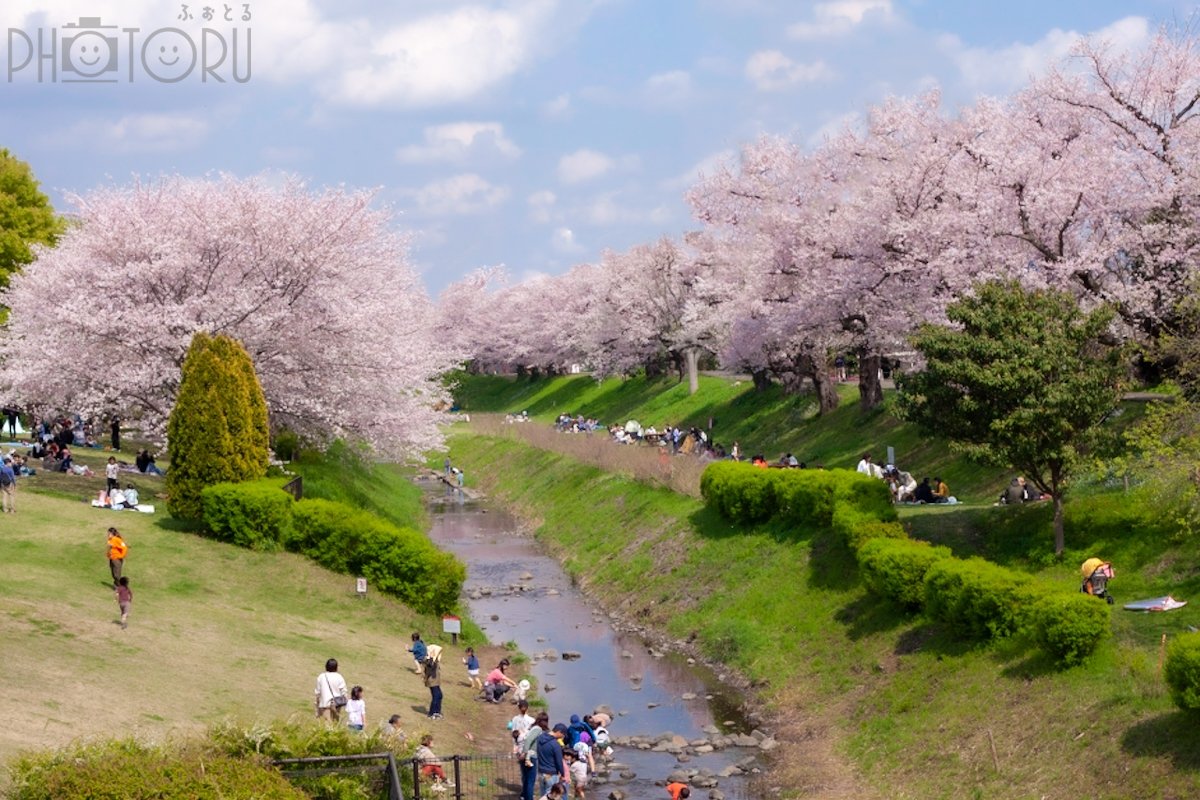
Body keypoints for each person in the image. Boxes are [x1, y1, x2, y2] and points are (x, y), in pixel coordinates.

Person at [519, 711, 549, 800]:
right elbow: (528, 740)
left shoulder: (532, 727)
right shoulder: (538, 729)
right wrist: (524, 753)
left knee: (526, 778)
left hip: (526, 755)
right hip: (531, 757)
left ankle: (523, 796)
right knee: (530, 781)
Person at [534, 722, 568, 799]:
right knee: (551, 796)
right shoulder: (555, 745)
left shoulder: (540, 738)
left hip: (541, 772)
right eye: (563, 734)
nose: (563, 737)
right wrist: (562, 775)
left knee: (543, 795)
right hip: (551, 774)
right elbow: (559, 762)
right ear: (559, 732)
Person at [315, 658, 348, 722]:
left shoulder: (321, 677)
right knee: (335, 726)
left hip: (325, 705)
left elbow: (317, 693)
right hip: (336, 706)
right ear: (336, 667)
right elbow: (344, 692)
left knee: (326, 727)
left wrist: (317, 707)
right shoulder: (339, 677)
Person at [424, 644, 444, 719]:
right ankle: (431, 713)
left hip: (436, 681)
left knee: (440, 695)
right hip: (432, 682)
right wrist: (432, 657)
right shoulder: (429, 660)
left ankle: (437, 712)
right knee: (436, 696)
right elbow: (430, 666)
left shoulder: (434, 660)